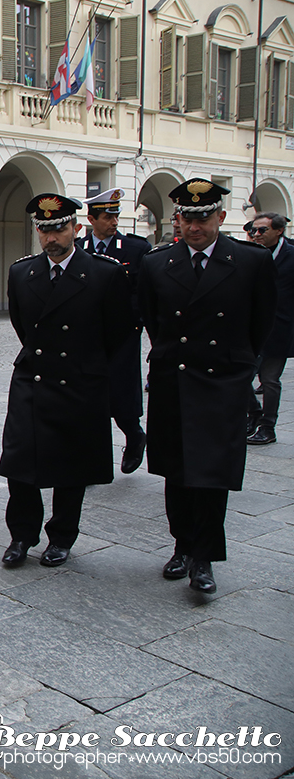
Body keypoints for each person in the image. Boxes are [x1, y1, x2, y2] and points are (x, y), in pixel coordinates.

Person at [140, 180, 276, 593]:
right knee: (177, 471)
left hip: (221, 381)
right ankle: (181, 545)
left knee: (212, 474)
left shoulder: (250, 262)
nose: (193, 227)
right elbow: (153, 320)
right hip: (174, 379)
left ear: (220, 216)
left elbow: (261, 322)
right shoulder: (157, 263)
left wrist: (240, 368)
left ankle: (205, 558)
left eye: (202, 218)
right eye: (185, 218)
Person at [0, 194, 133, 568]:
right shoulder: (22, 273)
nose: (50, 237)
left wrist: (87, 364)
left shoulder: (104, 273)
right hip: (33, 379)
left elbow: (118, 331)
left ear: (76, 228)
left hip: (79, 381)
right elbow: (24, 327)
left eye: (58, 228)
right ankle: (22, 535)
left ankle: (61, 537)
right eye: (43, 230)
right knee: (20, 463)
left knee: (72, 467)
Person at [77, 188, 152, 473]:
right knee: (89, 399)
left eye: (116, 215)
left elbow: (142, 293)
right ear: (91, 219)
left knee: (122, 396)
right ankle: (93, 459)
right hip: (87, 339)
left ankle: (134, 436)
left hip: (122, 337)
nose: (114, 221)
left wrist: (131, 322)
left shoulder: (135, 249)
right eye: (108, 216)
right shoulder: (79, 249)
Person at [243, 212, 293, 445]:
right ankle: (254, 415)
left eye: (262, 230)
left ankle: (268, 427)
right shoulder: (250, 253)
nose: (256, 234)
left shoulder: (291, 255)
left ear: (279, 231)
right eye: (254, 230)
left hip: (279, 328)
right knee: (241, 377)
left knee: (270, 379)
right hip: (249, 328)